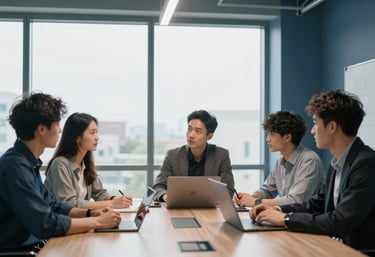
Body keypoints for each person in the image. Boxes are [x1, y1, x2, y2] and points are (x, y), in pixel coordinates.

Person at [250, 90, 375, 250]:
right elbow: (316, 204)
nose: (312, 130)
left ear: (331, 127)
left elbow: (340, 222)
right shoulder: (337, 163)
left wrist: (286, 219)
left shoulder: (366, 164)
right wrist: (276, 209)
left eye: (316, 123)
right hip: (337, 246)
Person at [0, 93, 121, 252]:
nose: (60, 130)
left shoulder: (27, 163)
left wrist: (91, 213)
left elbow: (54, 205)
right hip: (20, 252)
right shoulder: (15, 167)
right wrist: (98, 222)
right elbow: (46, 224)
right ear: (42, 129)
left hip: (36, 246)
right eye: (57, 124)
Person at [234, 111, 324, 207]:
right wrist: (248, 198)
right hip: (286, 217)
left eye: (272, 134)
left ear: (287, 137)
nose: (267, 139)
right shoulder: (280, 162)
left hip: (306, 219)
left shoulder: (309, 161)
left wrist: (256, 202)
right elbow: (267, 190)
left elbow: (296, 200)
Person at [45, 112, 133, 209]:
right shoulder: (60, 164)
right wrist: (112, 204)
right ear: (77, 137)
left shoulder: (85, 163)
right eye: (92, 133)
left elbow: (100, 193)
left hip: (78, 220)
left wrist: (116, 199)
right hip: (60, 222)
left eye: (96, 132)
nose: (97, 138)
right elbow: (69, 203)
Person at [152, 110, 235, 202]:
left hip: (210, 211)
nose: (191, 135)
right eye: (189, 129)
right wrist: (165, 196)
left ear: (209, 136)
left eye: (198, 131)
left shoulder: (221, 156)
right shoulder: (172, 156)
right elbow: (158, 187)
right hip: (178, 209)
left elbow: (229, 190)